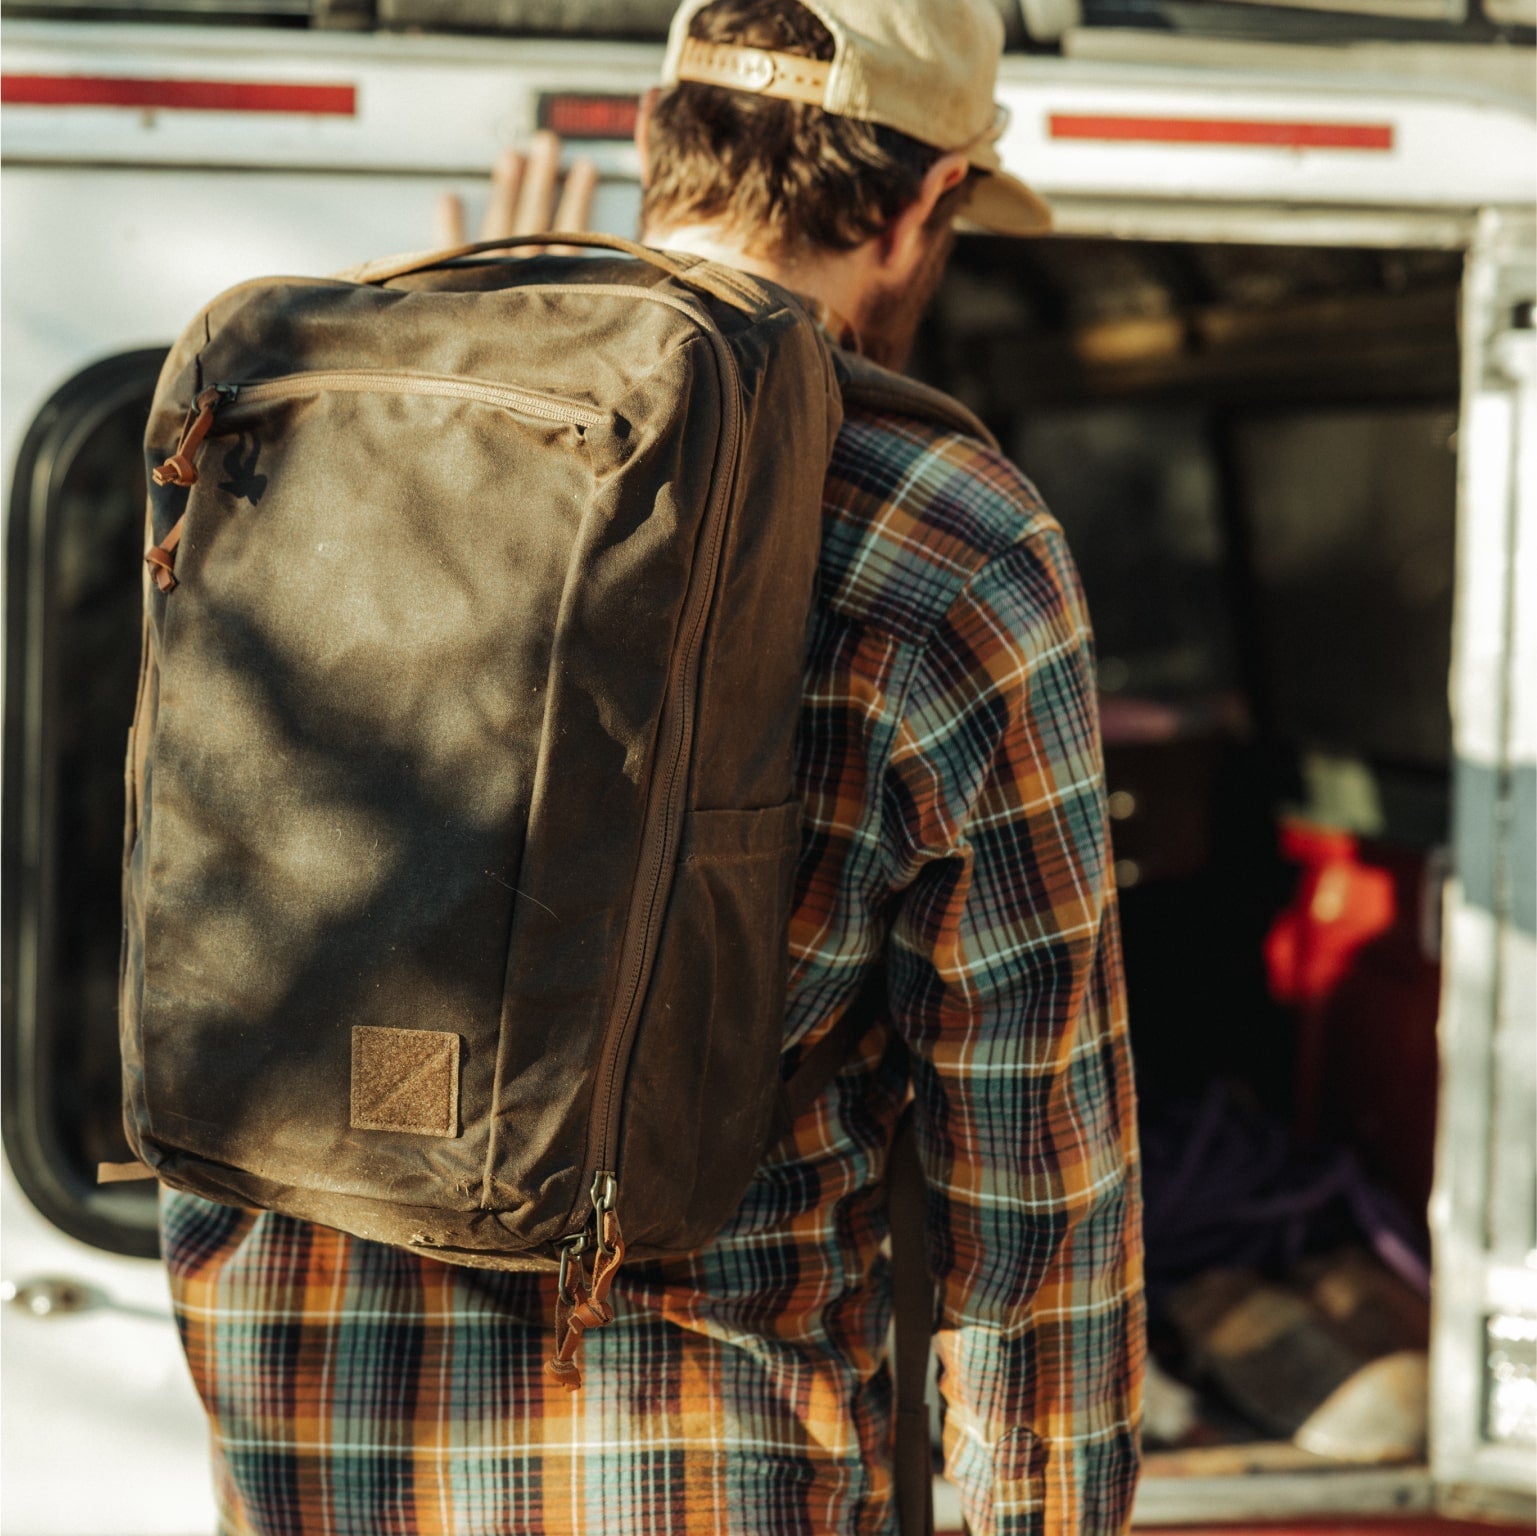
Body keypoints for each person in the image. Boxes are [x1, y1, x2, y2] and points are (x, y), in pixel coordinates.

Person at [161, 2, 1146, 1532]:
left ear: (648, 137)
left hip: (305, 1433)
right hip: (691, 1453)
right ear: (928, 206)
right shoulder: (952, 537)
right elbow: (1031, 1167)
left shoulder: (350, 412)